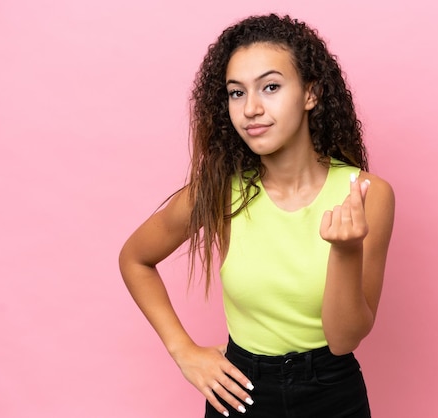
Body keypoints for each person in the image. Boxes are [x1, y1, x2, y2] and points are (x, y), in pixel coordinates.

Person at [119, 13, 394, 418]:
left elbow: (343, 340)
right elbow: (135, 258)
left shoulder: (367, 193)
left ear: (310, 93)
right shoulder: (219, 191)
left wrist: (346, 251)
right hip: (241, 392)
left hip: (332, 393)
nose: (250, 108)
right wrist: (184, 352)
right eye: (236, 93)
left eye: (270, 87)